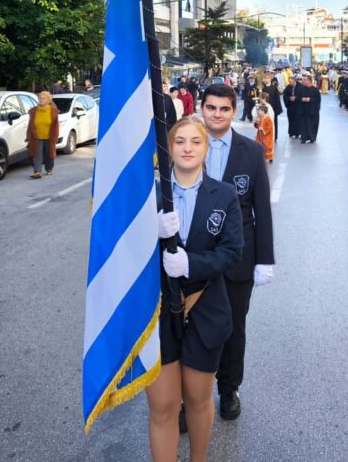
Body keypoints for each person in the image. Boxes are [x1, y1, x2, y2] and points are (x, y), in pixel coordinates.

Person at [149, 115, 242, 462]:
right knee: (163, 407)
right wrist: (150, 231)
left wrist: (191, 264)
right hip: (157, 315)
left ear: (206, 149)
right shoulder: (149, 197)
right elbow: (123, 254)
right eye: (179, 141)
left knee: (198, 401)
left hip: (205, 312)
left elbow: (232, 252)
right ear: (168, 149)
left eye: (196, 141)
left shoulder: (225, 195)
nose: (187, 148)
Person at [198, 84, 274, 424]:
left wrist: (264, 260)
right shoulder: (185, 144)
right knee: (191, 328)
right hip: (193, 257)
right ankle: (191, 396)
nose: (217, 114)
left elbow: (262, 210)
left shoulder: (251, 152)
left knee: (232, 328)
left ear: (233, 110)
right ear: (202, 109)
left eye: (224, 109)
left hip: (238, 257)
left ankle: (229, 389)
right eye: (211, 108)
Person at [26, 91, 59, 179]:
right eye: (40, 98)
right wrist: (28, 136)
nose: (41, 100)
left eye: (43, 98)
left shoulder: (53, 111)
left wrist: (55, 137)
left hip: (49, 136)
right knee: (36, 154)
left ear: (48, 100)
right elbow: (30, 125)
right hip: (36, 136)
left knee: (49, 153)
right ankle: (37, 171)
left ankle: (49, 169)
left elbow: (56, 126)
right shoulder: (33, 111)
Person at [298, 74, 322, 144]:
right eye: (303, 80)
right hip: (303, 110)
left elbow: (318, 100)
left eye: (305, 80)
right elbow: (298, 98)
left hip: (312, 111)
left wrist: (310, 99)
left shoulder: (315, 90)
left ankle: (312, 138)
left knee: (312, 125)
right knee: (303, 125)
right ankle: (304, 138)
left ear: (309, 81)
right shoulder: (301, 89)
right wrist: (302, 99)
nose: (303, 81)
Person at [254, 99, 275, 164]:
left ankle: (269, 157)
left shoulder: (268, 119)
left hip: (266, 136)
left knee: (267, 146)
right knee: (259, 145)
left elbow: (269, 128)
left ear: (263, 111)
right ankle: (261, 157)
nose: (258, 112)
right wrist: (256, 123)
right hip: (260, 135)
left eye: (259, 111)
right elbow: (257, 126)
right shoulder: (260, 118)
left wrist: (263, 130)